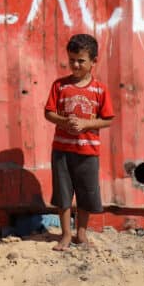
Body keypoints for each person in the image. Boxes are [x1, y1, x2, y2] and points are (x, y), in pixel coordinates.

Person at [43, 33, 115, 251]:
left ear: (94, 61)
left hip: (88, 153)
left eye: (81, 60)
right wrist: (64, 121)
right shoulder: (60, 86)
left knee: (87, 194)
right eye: (72, 59)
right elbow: (48, 113)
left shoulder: (100, 90)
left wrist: (86, 124)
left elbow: (108, 120)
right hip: (62, 152)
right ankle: (65, 235)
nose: (75, 64)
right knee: (64, 195)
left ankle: (81, 233)